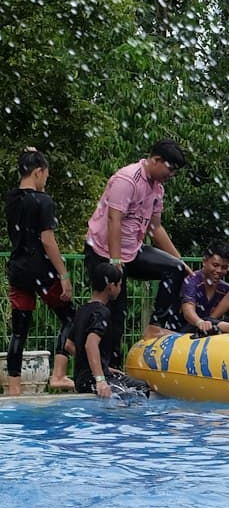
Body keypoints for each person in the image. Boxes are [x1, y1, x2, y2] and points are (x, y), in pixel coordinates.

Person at [84, 140, 190, 360]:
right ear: (156, 160)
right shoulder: (127, 179)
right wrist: (115, 263)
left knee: (175, 270)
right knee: (115, 313)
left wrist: (182, 262)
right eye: (170, 169)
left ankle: (156, 326)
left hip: (132, 250)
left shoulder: (157, 189)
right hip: (104, 251)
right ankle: (108, 366)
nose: (171, 175)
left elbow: (155, 228)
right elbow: (114, 220)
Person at [5, 147, 74, 393]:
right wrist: (64, 275)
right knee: (71, 319)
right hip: (42, 273)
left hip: (18, 270)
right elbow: (48, 241)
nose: (46, 179)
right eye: (45, 174)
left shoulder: (11, 199)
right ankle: (58, 375)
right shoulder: (44, 202)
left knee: (19, 331)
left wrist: (32, 155)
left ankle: (14, 387)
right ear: (38, 172)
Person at [68, 260, 147, 398]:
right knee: (141, 389)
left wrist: (102, 367)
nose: (120, 289)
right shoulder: (102, 312)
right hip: (93, 381)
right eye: (119, 285)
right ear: (110, 286)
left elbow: (69, 345)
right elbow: (90, 344)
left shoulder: (82, 310)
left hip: (81, 381)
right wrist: (100, 379)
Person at [173, 242, 229, 336]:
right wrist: (200, 322)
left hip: (211, 328)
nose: (219, 271)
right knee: (208, 321)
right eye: (215, 265)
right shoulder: (192, 281)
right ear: (204, 261)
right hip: (185, 330)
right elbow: (188, 311)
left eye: (224, 267)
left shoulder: (224, 289)